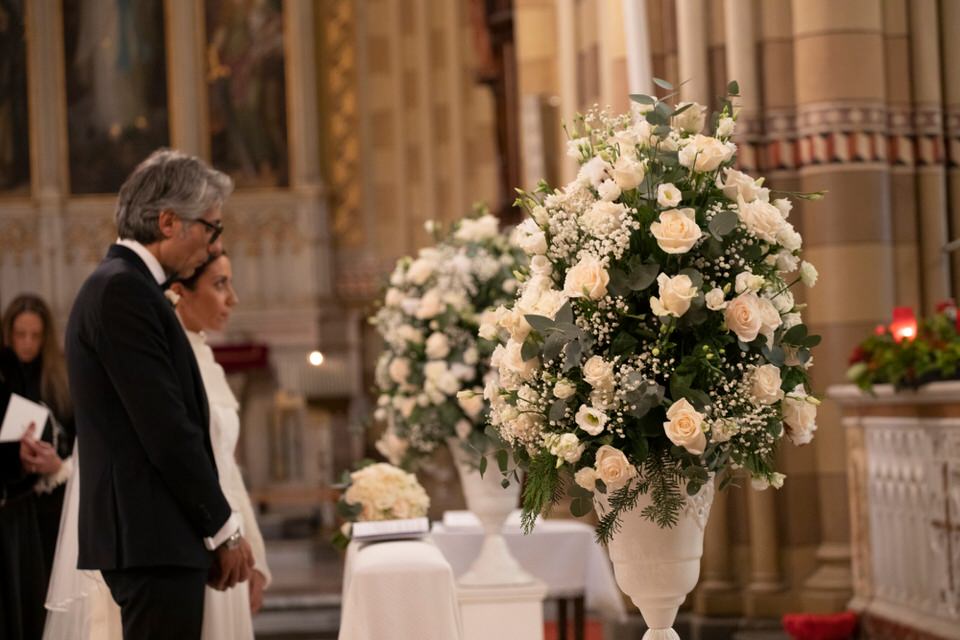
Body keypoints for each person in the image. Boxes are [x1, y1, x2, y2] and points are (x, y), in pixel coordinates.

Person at [64, 149, 254, 640]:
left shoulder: (129, 286)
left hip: (156, 536)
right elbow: (166, 428)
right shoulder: (123, 291)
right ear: (169, 222)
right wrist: (223, 528)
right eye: (210, 227)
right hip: (151, 538)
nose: (214, 244)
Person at [44, 253, 272, 640]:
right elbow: (167, 448)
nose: (232, 298)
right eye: (220, 284)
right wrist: (220, 534)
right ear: (179, 293)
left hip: (225, 534)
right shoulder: (159, 358)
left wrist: (253, 551)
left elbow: (225, 468)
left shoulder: (207, 358)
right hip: (192, 535)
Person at [0, 294, 74, 640]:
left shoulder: (60, 382)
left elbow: (79, 444)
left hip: (55, 505)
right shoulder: (5, 378)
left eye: (35, 335)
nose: (27, 343)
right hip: (14, 506)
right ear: (8, 334)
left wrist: (57, 464)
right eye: (20, 334)